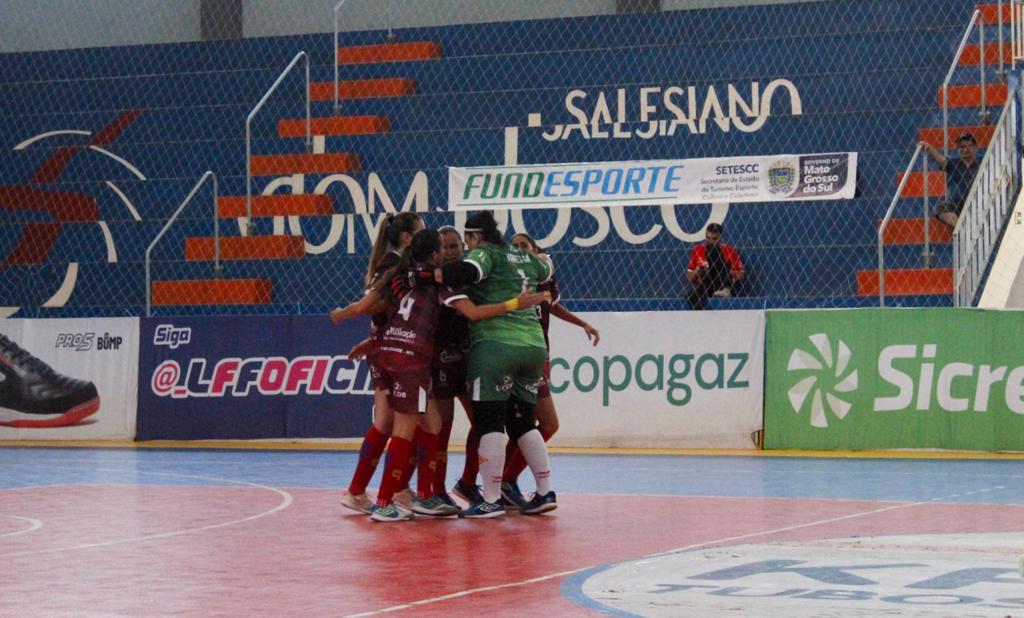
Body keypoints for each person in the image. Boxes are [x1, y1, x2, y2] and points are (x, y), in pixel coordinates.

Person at [333, 228, 549, 521]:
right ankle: (388, 499)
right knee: (406, 427)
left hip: (393, 353)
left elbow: (383, 309)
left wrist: (363, 332)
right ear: (435, 254)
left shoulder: (402, 277)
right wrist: (514, 303)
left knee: (430, 423)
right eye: (444, 247)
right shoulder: (443, 285)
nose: (450, 251)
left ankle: (423, 494)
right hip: (413, 360)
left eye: (455, 245)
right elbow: (472, 313)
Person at [414, 211, 559, 518]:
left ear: (475, 237)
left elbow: (467, 270)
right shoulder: (522, 255)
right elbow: (547, 266)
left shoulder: (484, 254)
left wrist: (426, 275)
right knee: (521, 422)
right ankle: (545, 491)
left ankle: (490, 499)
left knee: (489, 422)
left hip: (496, 348)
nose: (465, 247)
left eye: (467, 240)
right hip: (533, 346)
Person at [497, 233, 600, 508]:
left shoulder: (543, 274)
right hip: (522, 354)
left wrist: (582, 324)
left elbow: (551, 306)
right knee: (542, 424)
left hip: (539, 354)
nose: (519, 250)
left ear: (535, 249)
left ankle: (505, 481)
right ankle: (505, 481)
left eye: (524, 246)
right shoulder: (510, 280)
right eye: (515, 247)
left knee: (532, 425)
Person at [333, 211, 423, 515]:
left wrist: (371, 339)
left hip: (383, 347)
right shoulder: (399, 264)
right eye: (420, 232)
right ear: (408, 238)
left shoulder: (387, 262)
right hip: (396, 350)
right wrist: (349, 312)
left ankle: (362, 491)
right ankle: (391, 493)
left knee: (386, 423)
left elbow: (381, 308)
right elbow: (379, 305)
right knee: (408, 422)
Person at [919, 132, 981, 228]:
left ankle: (965, 228)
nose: (966, 149)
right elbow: (940, 159)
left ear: (975, 148)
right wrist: (929, 148)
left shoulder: (982, 163)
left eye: (969, 146)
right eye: (962, 147)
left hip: (977, 203)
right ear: (958, 149)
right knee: (940, 209)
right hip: (956, 206)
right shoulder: (953, 164)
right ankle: (962, 228)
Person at [686, 222, 744, 310]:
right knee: (690, 297)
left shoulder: (729, 250)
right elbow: (690, 278)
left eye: (714, 238)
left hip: (721, 282)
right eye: (708, 238)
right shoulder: (698, 250)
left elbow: (741, 276)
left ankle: (724, 288)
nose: (710, 241)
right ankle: (703, 315)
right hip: (706, 284)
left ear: (721, 237)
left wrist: (727, 269)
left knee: (713, 250)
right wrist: (700, 270)